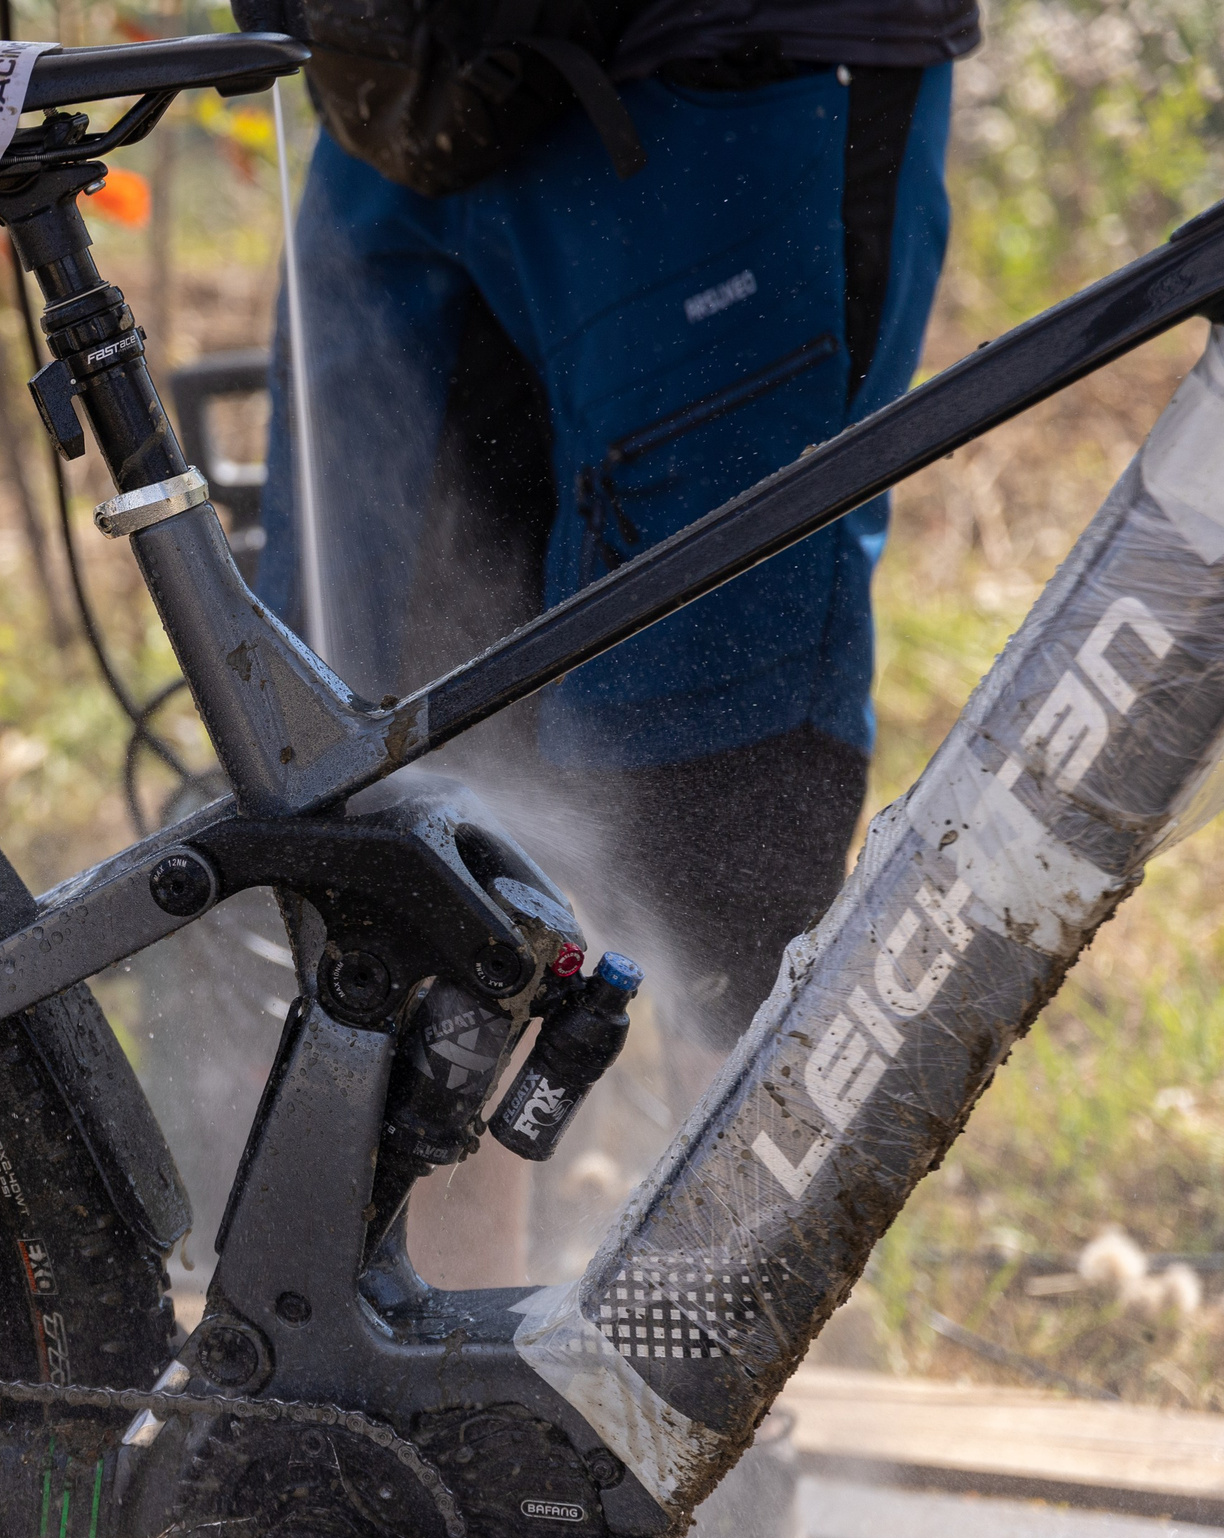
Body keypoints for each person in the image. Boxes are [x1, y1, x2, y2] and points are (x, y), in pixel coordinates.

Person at [248, 2, 978, 1051]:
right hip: (395, 96)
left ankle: (732, 1153)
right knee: (358, 761)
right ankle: (373, 1152)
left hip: (723, 80)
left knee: (700, 772)